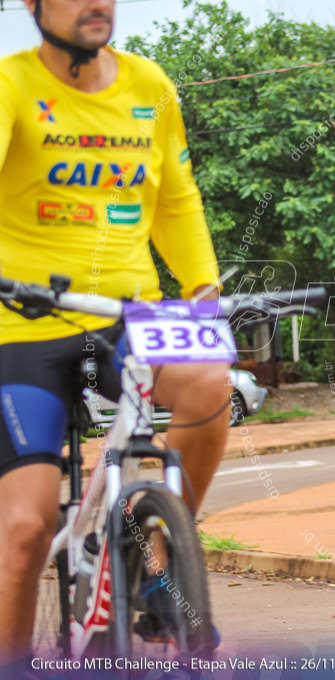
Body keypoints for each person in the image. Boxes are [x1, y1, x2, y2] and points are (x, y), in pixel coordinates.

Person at [0, 0, 231, 669]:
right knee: (23, 530)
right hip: (21, 319)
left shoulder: (149, 85)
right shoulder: (13, 84)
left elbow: (176, 198)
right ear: (33, 7)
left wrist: (203, 290)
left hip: (130, 310)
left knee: (211, 379)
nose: (97, 2)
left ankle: (155, 555)